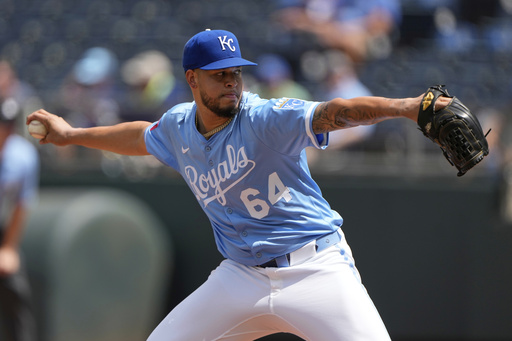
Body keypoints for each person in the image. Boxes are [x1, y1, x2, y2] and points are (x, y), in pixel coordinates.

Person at [27, 29, 450, 340]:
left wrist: (408, 107)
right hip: (240, 277)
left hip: (314, 268)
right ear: (193, 80)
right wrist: (71, 135)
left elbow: (334, 111)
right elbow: (139, 136)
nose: (231, 81)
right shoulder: (177, 125)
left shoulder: (265, 117)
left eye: (236, 73)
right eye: (218, 74)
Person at [0, 97, 39, 341]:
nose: (5, 129)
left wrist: (9, 248)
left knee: (15, 290)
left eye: (8, 124)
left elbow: (22, 205)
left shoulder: (23, 155)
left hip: (3, 228)